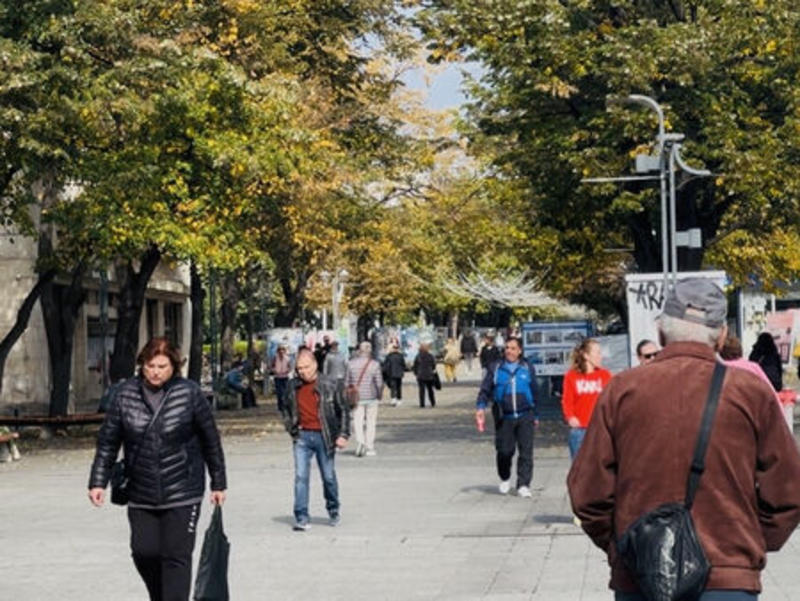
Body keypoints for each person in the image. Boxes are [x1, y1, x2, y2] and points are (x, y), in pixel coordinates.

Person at [568, 278, 800, 600]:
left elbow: (587, 492)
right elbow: (789, 490)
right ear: (720, 336)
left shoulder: (622, 391)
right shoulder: (750, 393)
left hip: (641, 578)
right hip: (727, 579)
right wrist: (749, 544)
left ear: (661, 330)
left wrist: (624, 546)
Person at [88, 337, 227, 601]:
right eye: (150, 365)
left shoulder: (189, 393)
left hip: (183, 489)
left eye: (162, 366)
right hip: (141, 490)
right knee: (144, 552)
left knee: (176, 556)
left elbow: (211, 440)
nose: (155, 371)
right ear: (142, 365)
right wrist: (98, 481)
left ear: (173, 367)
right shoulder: (125, 395)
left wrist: (218, 482)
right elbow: (108, 441)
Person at [281, 348, 349, 531]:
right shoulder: (292, 386)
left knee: (328, 476)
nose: (302, 371)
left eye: (306, 367)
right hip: (302, 436)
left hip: (324, 436)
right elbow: (285, 408)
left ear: (315, 365)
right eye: (299, 368)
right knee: (300, 477)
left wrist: (343, 434)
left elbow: (343, 410)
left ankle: (333, 509)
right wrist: (291, 427)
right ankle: (302, 516)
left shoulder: (331, 384)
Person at [475, 336, 538, 498]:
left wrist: (536, 414)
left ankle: (523, 484)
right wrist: (480, 407)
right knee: (505, 450)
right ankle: (504, 477)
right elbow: (485, 389)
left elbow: (535, 391)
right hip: (504, 415)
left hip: (525, 414)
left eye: (513, 348)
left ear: (520, 351)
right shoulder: (495, 367)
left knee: (526, 451)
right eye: (507, 348)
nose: (509, 351)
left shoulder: (527, 367)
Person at [561, 338, 611, 461]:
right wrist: (570, 417)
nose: (601, 356)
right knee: (580, 469)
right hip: (581, 429)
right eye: (597, 353)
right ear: (586, 355)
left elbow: (611, 400)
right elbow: (567, 400)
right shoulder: (572, 376)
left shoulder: (606, 375)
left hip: (601, 429)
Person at [346, 341, 383, 457]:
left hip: (357, 397)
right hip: (371, 397)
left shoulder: (351, 364)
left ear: (359, 350)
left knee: (357, 421)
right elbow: (379, 382)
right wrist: (379, 394)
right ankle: (369, 446)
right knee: (371, 422)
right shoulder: (374, 364)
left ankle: (360, 442)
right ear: (370, 350)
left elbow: (347, 381)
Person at [413, 342, 437, 408]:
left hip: (420, 375)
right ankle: (432, 402)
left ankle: (422, 403)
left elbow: (415, 366)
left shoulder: (418, 356)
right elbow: (434, 365)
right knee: (430, 389)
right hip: (429, 375)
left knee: (421, 390)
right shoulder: (430, 356)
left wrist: (416, 373)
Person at [382, 342, 406, 406]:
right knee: (398, 387)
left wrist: (384, 373)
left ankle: (393, 398)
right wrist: (402, 371)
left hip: (391, 374)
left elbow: (386, 366)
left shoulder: (389, 356)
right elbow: (403, 365)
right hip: (399, 374)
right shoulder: (401, 356)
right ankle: (399, 399)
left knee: (393, 387)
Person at [270, 344, 292, 413]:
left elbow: (290, 366)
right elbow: (271, 366)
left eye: (282, 350)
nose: (281, 351)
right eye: (280, 350)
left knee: (285, 392)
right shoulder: (275, 358)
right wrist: (274, 370)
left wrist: (288, 370)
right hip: (277, 377)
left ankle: (285, 406)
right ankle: (280, 406)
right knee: (279, 393)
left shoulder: (288, 358)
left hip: (285, 377)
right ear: (277, 351)